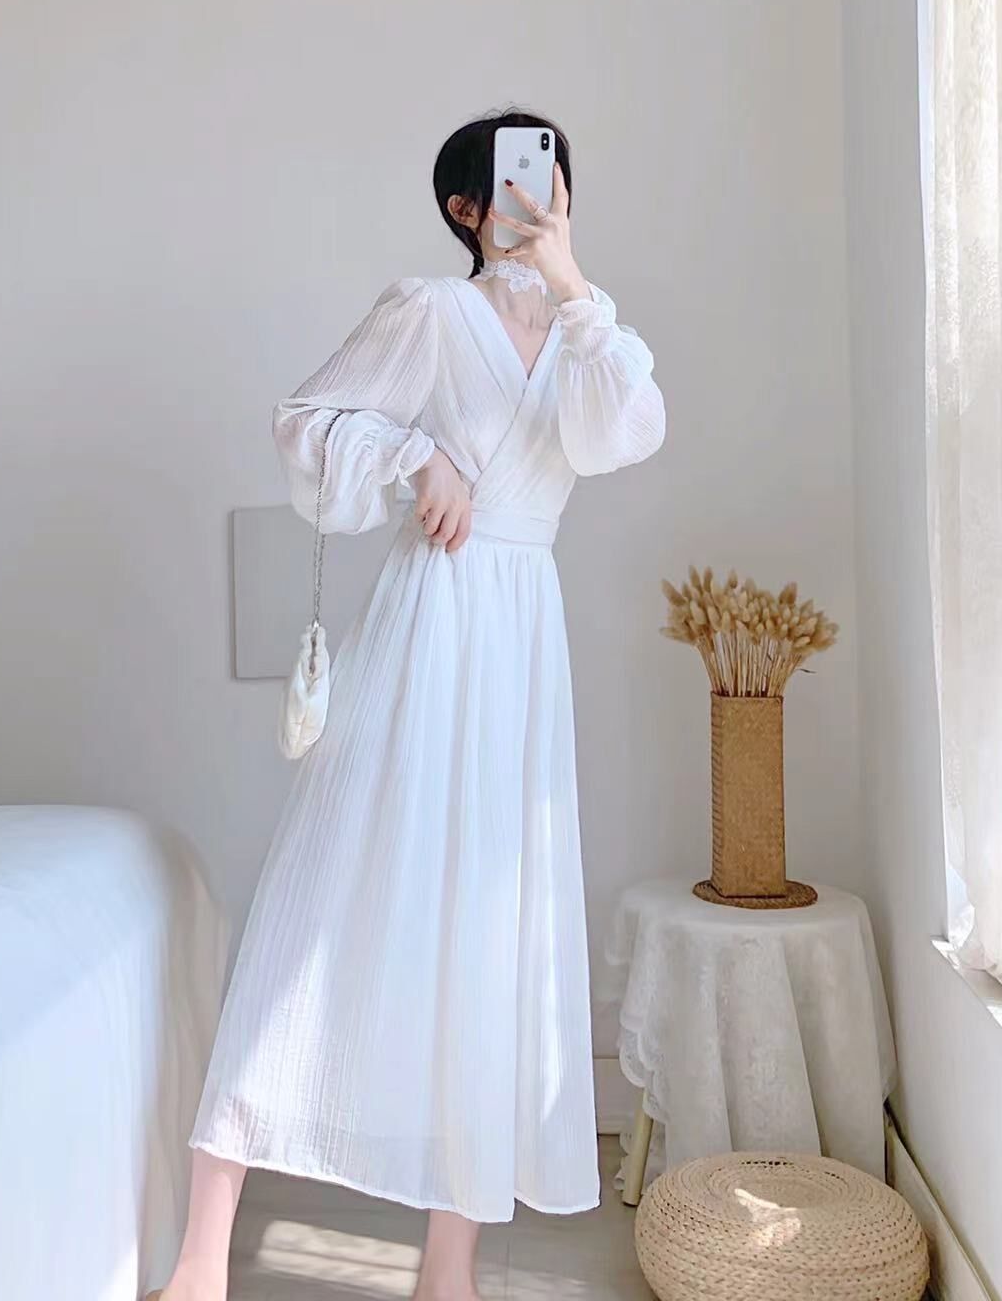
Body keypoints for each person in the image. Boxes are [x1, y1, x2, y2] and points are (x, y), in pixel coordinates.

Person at [149, 109, 666, 1301]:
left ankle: (449, 1269)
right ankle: (200, 1260)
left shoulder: (591, 333)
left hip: (522, 643)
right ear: (464, 209)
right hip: (429, 618)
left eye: (553, 180)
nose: (536, 200)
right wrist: (413, 456)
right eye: (512, 184)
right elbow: (305, 420)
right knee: (321, 899)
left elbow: (626, 433)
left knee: (492, 933)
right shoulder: (429, 312)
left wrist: (574, 284)